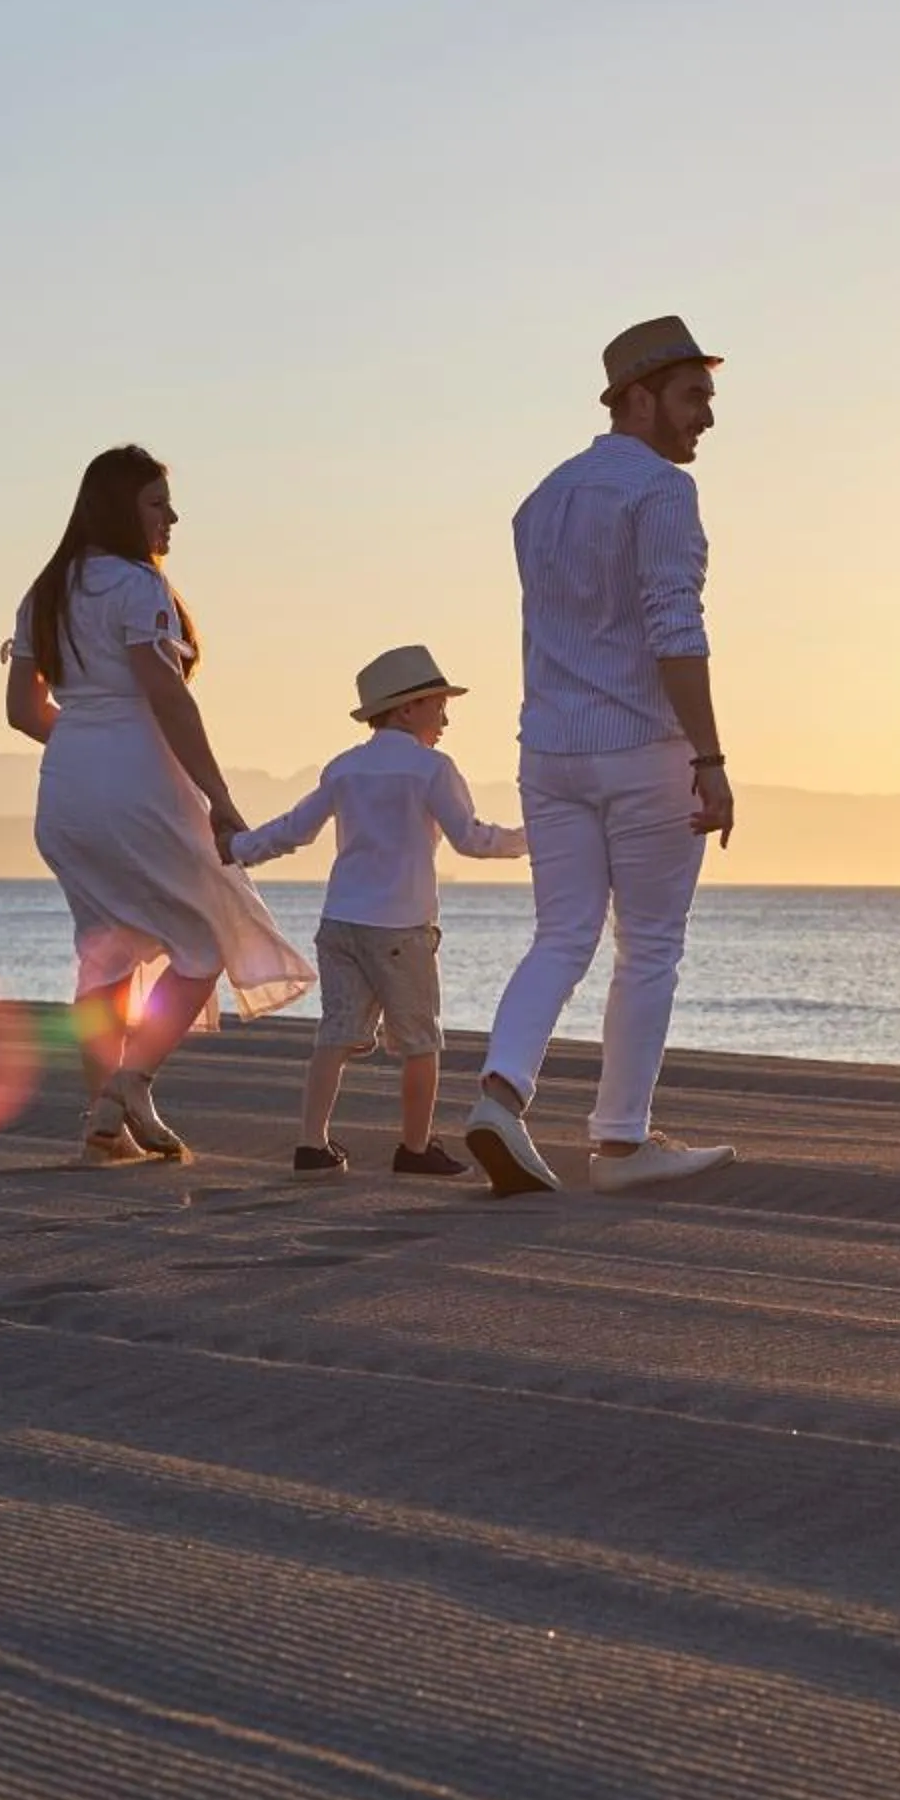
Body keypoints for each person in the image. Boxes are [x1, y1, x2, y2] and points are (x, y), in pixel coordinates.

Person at [462, 316, 741, 1197]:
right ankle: (620, 1142)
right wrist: (711, 755)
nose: (705, 417)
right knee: (650, 943)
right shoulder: (659, 492)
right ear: (638, 396)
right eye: (693, 396)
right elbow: (674, 628)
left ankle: (500, 1097)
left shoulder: (539, 500)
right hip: (641, 749)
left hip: (548, 750)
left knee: (562, 935)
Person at [4, 444, 311, 1164]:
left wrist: (84, 739)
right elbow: (166, 693)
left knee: (103, 955)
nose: (172, 517)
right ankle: (128, 1084)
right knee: (205, 940)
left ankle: (103, 1125)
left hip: (68, 790)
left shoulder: (43, 593)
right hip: (137, 782)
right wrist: (221, 797)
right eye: (157, 503)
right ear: (120, 509)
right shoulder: (137, 588)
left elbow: (23, 711)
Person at [223, 644, 527, 1179]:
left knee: (335, 1036)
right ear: (406, 708)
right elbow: (471, 840)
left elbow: (294, 830)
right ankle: (414, 1149)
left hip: (340, 922)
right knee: (420, 1043)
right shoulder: (432, 769)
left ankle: (311, 1145)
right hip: (400, 928)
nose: (445, 718)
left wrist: (239, 848)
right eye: (437, 704)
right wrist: (537, 839)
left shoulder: (345, 767)